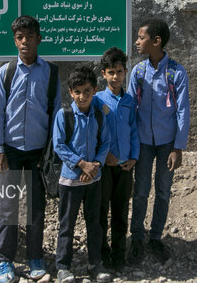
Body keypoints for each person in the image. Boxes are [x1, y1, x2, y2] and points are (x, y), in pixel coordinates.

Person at [0, 16, 60, 283]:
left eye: (29, 36)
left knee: (36, 207)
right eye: (20, 37)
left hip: (38, 153)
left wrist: (53, 152)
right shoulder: (5, 73)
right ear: (14, 40)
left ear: (38, 39)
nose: (24, 42)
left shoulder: (50, 73)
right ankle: (4, 261)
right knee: (8, 206)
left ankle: (35, 257)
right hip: (10, 150)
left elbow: (55, 114)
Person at [127, 18, 190, 265]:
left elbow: (182, 111)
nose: (137, 42)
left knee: (163, 191)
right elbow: (131, 108)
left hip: (166, 144)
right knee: (141, 191)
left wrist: (178, 147)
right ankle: (137, 239)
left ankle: (155, 238)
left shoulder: (176, 72)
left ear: (156, 41)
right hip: (142, 143)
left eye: (141, 37)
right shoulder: (138, 72)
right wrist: (130, 145)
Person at [53, 66, 112, 283]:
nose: (82, 96)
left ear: (95, 90)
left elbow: (105, 142)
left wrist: (95, 164)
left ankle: (95, 264)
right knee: (66, 225)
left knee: (94, 223)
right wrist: (81, 165)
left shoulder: (98, 115)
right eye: (77, 91)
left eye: (87, 91)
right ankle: (63, 267)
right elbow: (59, 145)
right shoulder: (64, 115)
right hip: (70, 180)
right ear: (70, 92)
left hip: (93, 179)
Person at [94, 47, 139, 272]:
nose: (115, 77)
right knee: (101, 212)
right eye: (111, 72)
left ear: (125, 72)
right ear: (103, 74)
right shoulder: (96, 100)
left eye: (119, 72)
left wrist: (134, 158)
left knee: (121, 213)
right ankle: (102, 256)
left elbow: (133, 131)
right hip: (103, 168)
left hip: (124, 167)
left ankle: (119, 256)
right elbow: (92, 134)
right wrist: (103, 158)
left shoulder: (130, 101)